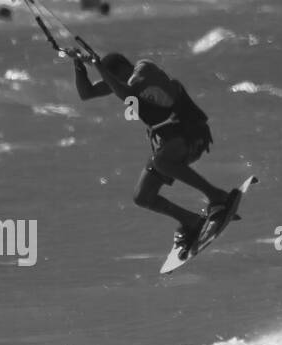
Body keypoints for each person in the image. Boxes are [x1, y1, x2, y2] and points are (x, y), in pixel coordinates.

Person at [74, 51, 232, 254]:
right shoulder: (123, 83)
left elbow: (127, 94)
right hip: (171, 145)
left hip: (191, 136)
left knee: (161, 162)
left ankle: (217, 196)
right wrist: (78, 64)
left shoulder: (144, 71)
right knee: (143, 196)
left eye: (112, 78)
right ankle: (191, 221)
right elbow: (86, 93)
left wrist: (97, 65)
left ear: (122, 70)